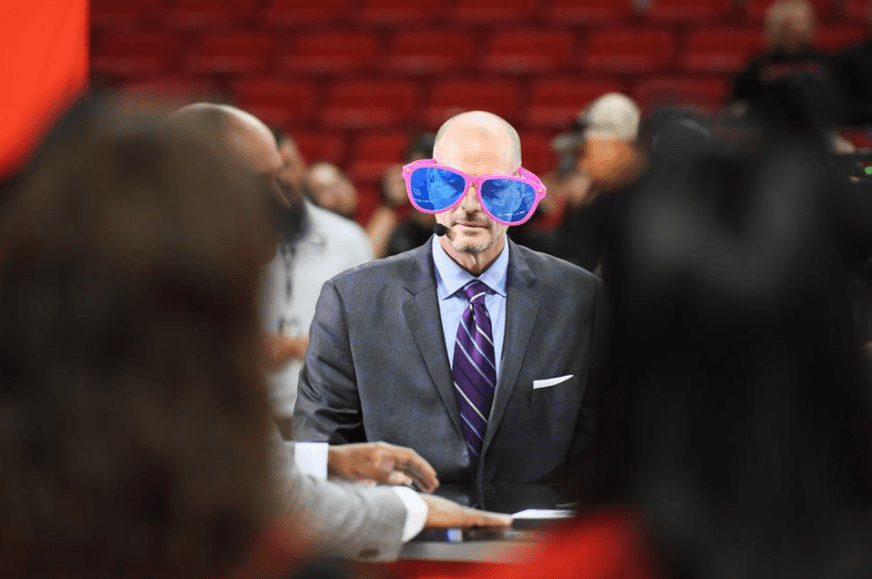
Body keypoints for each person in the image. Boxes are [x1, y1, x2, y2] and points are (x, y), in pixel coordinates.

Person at [169, 103, 511, 561]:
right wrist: (415, 509)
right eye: (262, 183)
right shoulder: (166, 320)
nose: (283, 203)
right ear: (194, 189)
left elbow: (220, 461)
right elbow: (279, 503)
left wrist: (328, 461)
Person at [293, 111, 606, 486]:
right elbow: (323, 450)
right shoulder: (351, 299)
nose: (470, 205)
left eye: (493, 188)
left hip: (540, 521)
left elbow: (602, 440)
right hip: (405, 518)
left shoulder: (581, 297)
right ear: (431, 185)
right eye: (451, 184)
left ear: (517, 192)